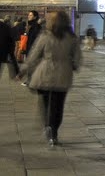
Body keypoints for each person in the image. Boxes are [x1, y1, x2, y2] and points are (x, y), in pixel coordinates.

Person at [18, 10, 81, 146]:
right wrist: (75, 65)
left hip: (45, 73)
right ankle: (54, 132)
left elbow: (34, 55)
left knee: (46, 103)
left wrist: (23, 70)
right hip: (63, 74)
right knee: (58, 105)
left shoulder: (45, 36)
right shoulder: (71, 37)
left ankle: (48, 125)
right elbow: (77, 56)